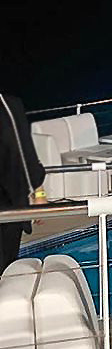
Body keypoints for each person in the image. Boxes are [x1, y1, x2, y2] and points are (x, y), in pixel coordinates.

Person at [0, 93, 46, 275]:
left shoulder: (8, 106)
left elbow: (24, 150)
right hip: (10, 204)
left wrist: (39, 193)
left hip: (10, 203)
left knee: (6, 267)